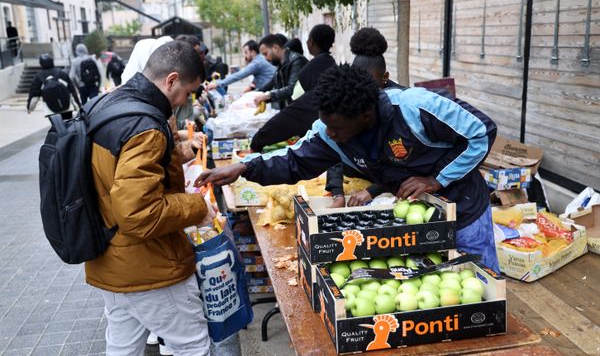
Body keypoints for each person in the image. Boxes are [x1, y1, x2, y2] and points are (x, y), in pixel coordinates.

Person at [197, 64, 500, 273]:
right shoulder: (331, 133)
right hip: (413, 222)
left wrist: (436, 179)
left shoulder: (414, 108)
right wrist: (243, 167)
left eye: (336, 127)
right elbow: (293, 160)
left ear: (366, 116)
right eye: (326, 124)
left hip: (464, 211)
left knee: (479, 283)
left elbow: (481, 132)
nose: (329, 133)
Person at [85, 41, 211, 356]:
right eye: (187, 92)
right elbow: (140, 212)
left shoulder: (109, 104)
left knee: (122, 348)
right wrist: (198, 207)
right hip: (149, 264)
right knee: (192, 346)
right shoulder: (146, 126)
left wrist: (179, 155)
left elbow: (120, 171)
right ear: (170, 80)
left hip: (109, 259)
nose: (186, 101)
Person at [327, 27, 405, 207]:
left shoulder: (401, 107)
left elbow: (406, 163)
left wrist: (372, 191)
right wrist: (337, 192)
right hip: (359, 184)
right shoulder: (349, 99)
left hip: (393, 189)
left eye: (369, 84)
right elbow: (334, 146)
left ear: (385, 77)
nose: (362, 91)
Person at [250, 24, 336, 152]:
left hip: (318, 129)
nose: (265, 58)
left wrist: (259, 139)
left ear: (310, 42)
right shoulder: (328, 63)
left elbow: (295, 101)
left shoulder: (307, 66)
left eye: (265, 53)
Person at [253, 34, 307, 109]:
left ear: (275, 48)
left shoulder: (296, 61)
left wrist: (267, 95)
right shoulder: (281, 65)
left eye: (265, 54)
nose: (266, 58)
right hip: (291, 110)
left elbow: (292, 89)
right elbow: (271, 84)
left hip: (302, 111)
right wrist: (253, 95)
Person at [206, 40, 276, 94]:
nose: (244, 56)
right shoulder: (260, 59)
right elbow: (261, 78)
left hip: (271, 93)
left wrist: (218, 84)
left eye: (246, 52)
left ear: (253, 52)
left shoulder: (256, 63)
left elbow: (239, 75)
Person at [27, 53, 82, 120]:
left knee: (57, 127)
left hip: (50, 109)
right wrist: (78, 104)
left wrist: (30, 108)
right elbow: (72, 90)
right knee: (69, 124)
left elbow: (34, 95)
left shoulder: (38, 77)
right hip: (67, 106)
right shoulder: (61, 73)